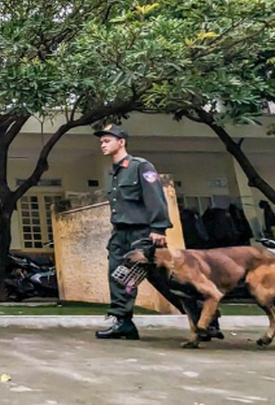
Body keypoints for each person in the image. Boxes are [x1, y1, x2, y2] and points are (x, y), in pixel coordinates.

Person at [94, 124, 221, 341]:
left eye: (107, 141)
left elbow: (155, 198)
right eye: (101, 142)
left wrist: (158, 228)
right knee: (119, 277)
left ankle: (207, 318)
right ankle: (123, 322)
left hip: (142, 235)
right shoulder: (113, 173)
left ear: (121, 142)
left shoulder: (140, 167)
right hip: (120, 235)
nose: (103, 145)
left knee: (167, 280)